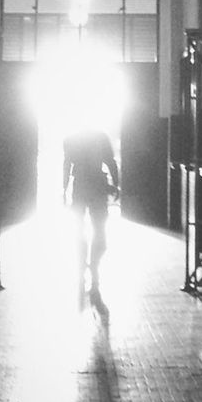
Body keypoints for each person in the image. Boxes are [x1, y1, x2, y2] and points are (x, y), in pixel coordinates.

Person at [62, 124, 120, 307]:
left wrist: (64, 189)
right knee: (99, 231)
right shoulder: (101, 137)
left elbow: (66, 164)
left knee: (79, 229)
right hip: (98, 187)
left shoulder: (71, 138)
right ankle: (94, 271)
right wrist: (116, 184)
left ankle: (82, 268)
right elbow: (110, 162)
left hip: (80, 187)